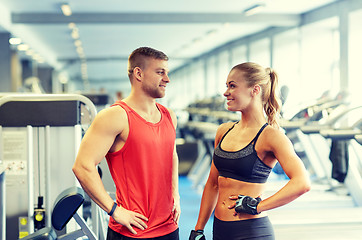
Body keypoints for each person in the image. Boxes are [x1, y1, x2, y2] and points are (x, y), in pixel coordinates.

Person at [189, 62, 311, 240]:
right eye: (226, 86)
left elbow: (302, 183)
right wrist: (198, 229)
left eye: (232, 86)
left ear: (255, 90)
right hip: (220, 230)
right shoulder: (224, 131)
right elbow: (213, 184)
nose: (226, 92)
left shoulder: (271, 136)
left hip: (252, 231)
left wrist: (257, 205)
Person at [73, 47, 181, 240]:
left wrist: (176, 195)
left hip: (169, 228)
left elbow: (171, 155)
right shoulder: (115, 116)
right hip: (132, 231)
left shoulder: (169, 116)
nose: (167, 79)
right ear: (139, 73)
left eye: (167, 72)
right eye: (160, 72)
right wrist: (114, 210)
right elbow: (82, 166)